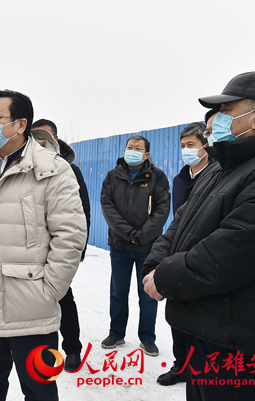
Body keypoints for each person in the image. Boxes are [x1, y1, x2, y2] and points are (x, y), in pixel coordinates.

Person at [142, 71, 255, 401]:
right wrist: (156, 261)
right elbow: (182, 222)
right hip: (207, 333)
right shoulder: (224, 167)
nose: (218, 121)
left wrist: (164, 276)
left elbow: (229, 254)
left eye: (226, 112)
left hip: (241, 347)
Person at [0, 89, 87, 401]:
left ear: (21, 124)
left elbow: (70, 236)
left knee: (40, 391)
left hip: (32, 311)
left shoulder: (52, 168)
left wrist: (48, 292)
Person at [156, 117, 217, 386]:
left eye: (191, 145)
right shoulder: (180, 179)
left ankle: (202, 367)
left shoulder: (217, 175)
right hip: (179, 254)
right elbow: (176, 220)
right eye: (182, 146)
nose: (186, 150)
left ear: (205, 145)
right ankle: (181, 364)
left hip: (204, 255)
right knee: (178, 315)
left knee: (202, 319)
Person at [100, 135, 170, 356]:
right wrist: (129, 233)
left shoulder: (157, 177)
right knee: (118, 292)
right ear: (124, 150)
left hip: (148, 247)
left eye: (138, 148)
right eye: (130, 147)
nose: (133, 151)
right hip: (120, 244)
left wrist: (142, 235)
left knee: (147, 293)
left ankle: (147, 338)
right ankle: (116, 333)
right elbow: (107, 207)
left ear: (146, 154)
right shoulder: (113, 176)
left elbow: (162, 209)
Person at [32, 119, 91, 372]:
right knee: (30, 300)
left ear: (56, 138)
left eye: (46, 136)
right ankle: (38, 350)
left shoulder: (70, 170)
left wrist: (80, 248)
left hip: (57, 249)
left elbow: (83, 212)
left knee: (63, 297)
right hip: (29, 250)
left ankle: (72, 348)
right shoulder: (25, 166)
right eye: (35, 136)